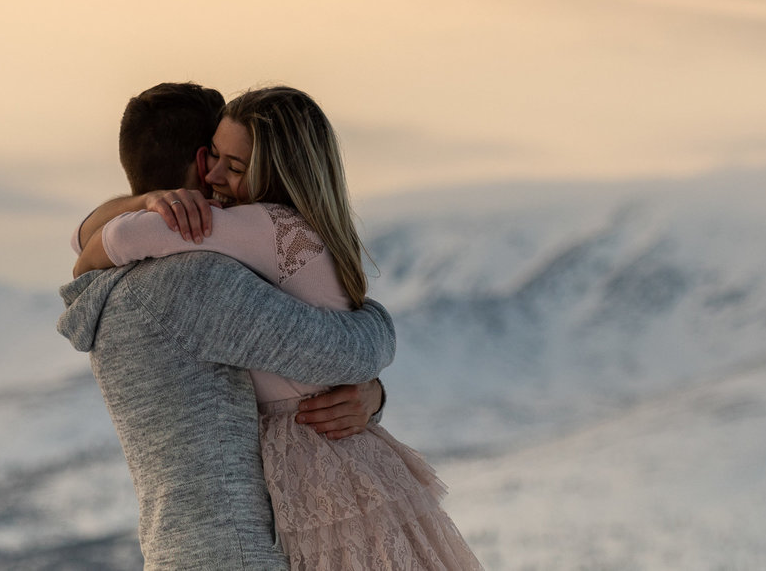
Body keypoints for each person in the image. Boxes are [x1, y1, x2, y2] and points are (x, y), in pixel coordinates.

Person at [75, 86, 484, 571]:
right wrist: (374, 351)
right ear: (200, 157)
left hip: (185, 543)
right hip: (238, 548)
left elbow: (90, 240)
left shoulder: (123, 287)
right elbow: (340, 354)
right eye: (216, 159)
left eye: (237, 164)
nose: (218, 177)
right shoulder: (197, 279)